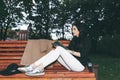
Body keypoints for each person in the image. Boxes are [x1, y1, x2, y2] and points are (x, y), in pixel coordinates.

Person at [18, 21, 91, 76]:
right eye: (72, 29)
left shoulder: (86, 39)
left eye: (74, 29)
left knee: (59, 49)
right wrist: (61, 46)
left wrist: (69, 51)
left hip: (79, 66)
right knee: (55, 50)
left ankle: (39, 68)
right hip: (70, 65)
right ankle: (32, 66)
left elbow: (83, 55)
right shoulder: (74, 40)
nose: (72, 31)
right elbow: (68, 50)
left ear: (80, 30)